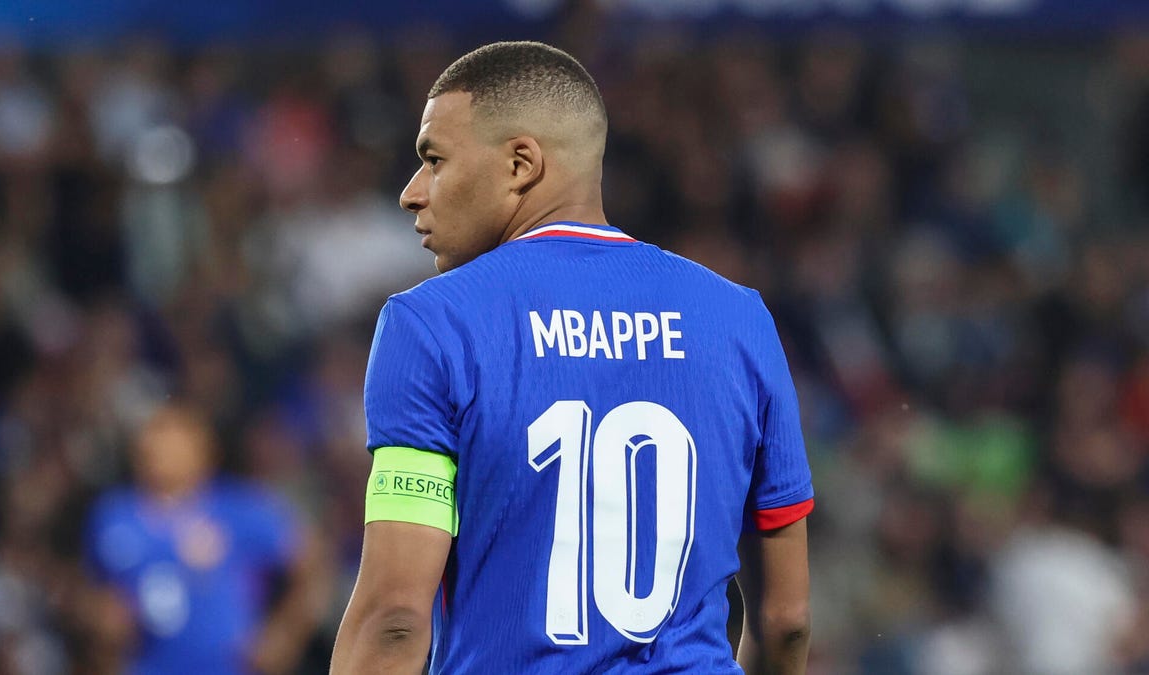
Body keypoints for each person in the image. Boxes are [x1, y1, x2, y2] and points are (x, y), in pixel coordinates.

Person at [331, 41, 813, 674]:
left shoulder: (431, 325)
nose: (411, 192)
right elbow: (786, 621)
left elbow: (394, 618)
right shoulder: (740, 319)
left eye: (434, 159)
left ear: (520, 164)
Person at [83, 402, 326, 675]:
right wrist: (100, 620)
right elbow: (94, 590)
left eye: (174, 438)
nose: (158, 448)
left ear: (204, 448)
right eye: (153, 435)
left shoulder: (241, 509)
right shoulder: (114, 514)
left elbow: (313, 565)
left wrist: (285, 636)